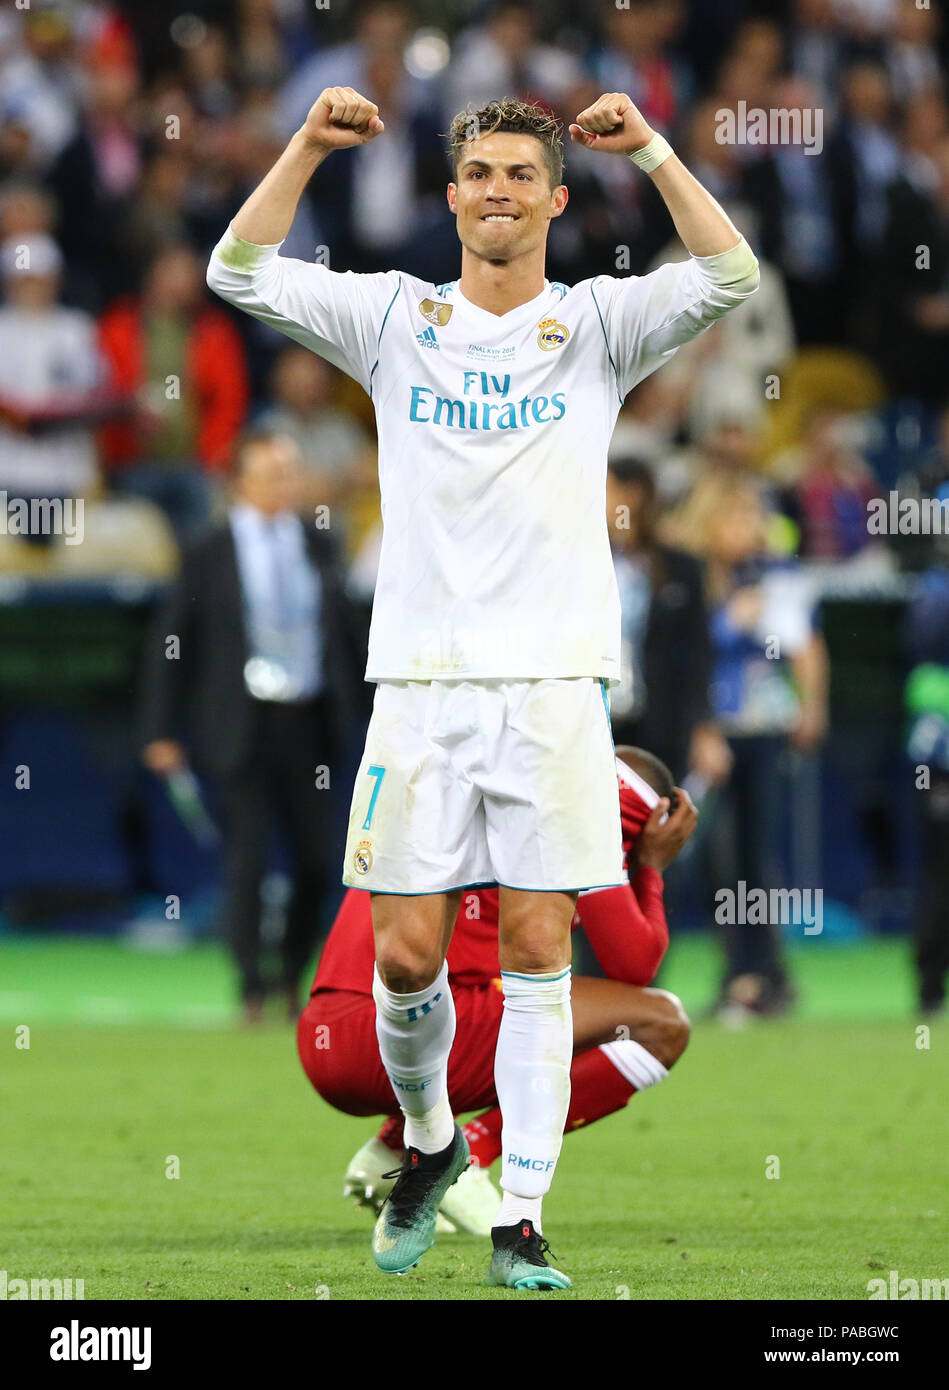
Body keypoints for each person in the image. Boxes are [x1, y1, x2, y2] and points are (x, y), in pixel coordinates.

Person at [206, 84, 758, 1289]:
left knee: (538, 945)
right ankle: (428, 1144)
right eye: (479, 174)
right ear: (450, 197)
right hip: (418, 683)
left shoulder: (598, 324)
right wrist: (304, 142)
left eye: (521, 174)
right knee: (405, 958)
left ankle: (520, 1215)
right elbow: (238, 269)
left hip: (556, 683)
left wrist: (656, 151)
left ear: (556, 200)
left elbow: (730, 277)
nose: (498, 190)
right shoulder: (394, 319)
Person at [298, 747, 697, 1242]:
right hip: (384, 1032)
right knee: (661, 1023)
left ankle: (395, 1149)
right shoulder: (579, 804)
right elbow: (635, 962)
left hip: (331, 1030)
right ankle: (470, 1155)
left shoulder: (487, 775)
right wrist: (651, 866)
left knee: (492, 988)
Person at [140, 429, 360, 1022]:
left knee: (318, 859)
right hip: (238, 720)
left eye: (289, 473)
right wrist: (160, 728)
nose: (282, 486)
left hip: (308, 721)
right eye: (269, 474)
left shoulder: (319, 545)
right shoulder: (208, 549)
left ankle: (291, 973)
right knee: (248, 857)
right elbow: (173, 642)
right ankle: (249, 983)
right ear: (239, 481)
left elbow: (344, 635)